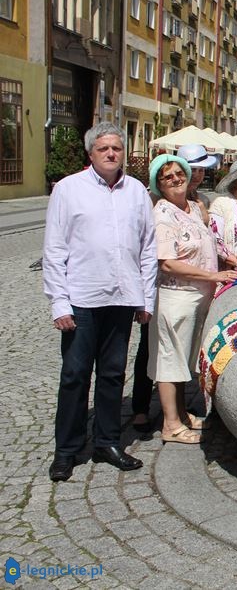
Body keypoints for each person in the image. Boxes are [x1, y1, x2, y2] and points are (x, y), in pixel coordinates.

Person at [43, 122, 158, 481]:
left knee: (112, 374)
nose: (111, 154)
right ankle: (68, 449)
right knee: (75, 375)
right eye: (104, 149)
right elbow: (54, 249)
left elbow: (148, 248)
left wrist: (146, 298)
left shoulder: (136, 191)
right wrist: (59, 303)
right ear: (90, 153)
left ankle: (107, 441)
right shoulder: (68, 190)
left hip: (123, 299)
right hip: (82, 297)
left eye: (117, 149)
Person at [148, 154, 237, 445]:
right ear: (158, 185)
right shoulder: (162, 213)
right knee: (169, 360)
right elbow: (168, 263)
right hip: (177, 296)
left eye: (179, 173)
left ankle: (182, 414)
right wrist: (214, 277)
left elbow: (210, 244)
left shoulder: (192, 207)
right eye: (167, 176)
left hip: (198, 296)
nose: (175, 178)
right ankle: (171, 425)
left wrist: (230, 260)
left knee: (184, 360)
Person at [176, 143, 220, 224]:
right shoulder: (165, 198)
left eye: (201, 170)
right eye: (193, 170)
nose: (197, 175)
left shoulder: (204, 200)